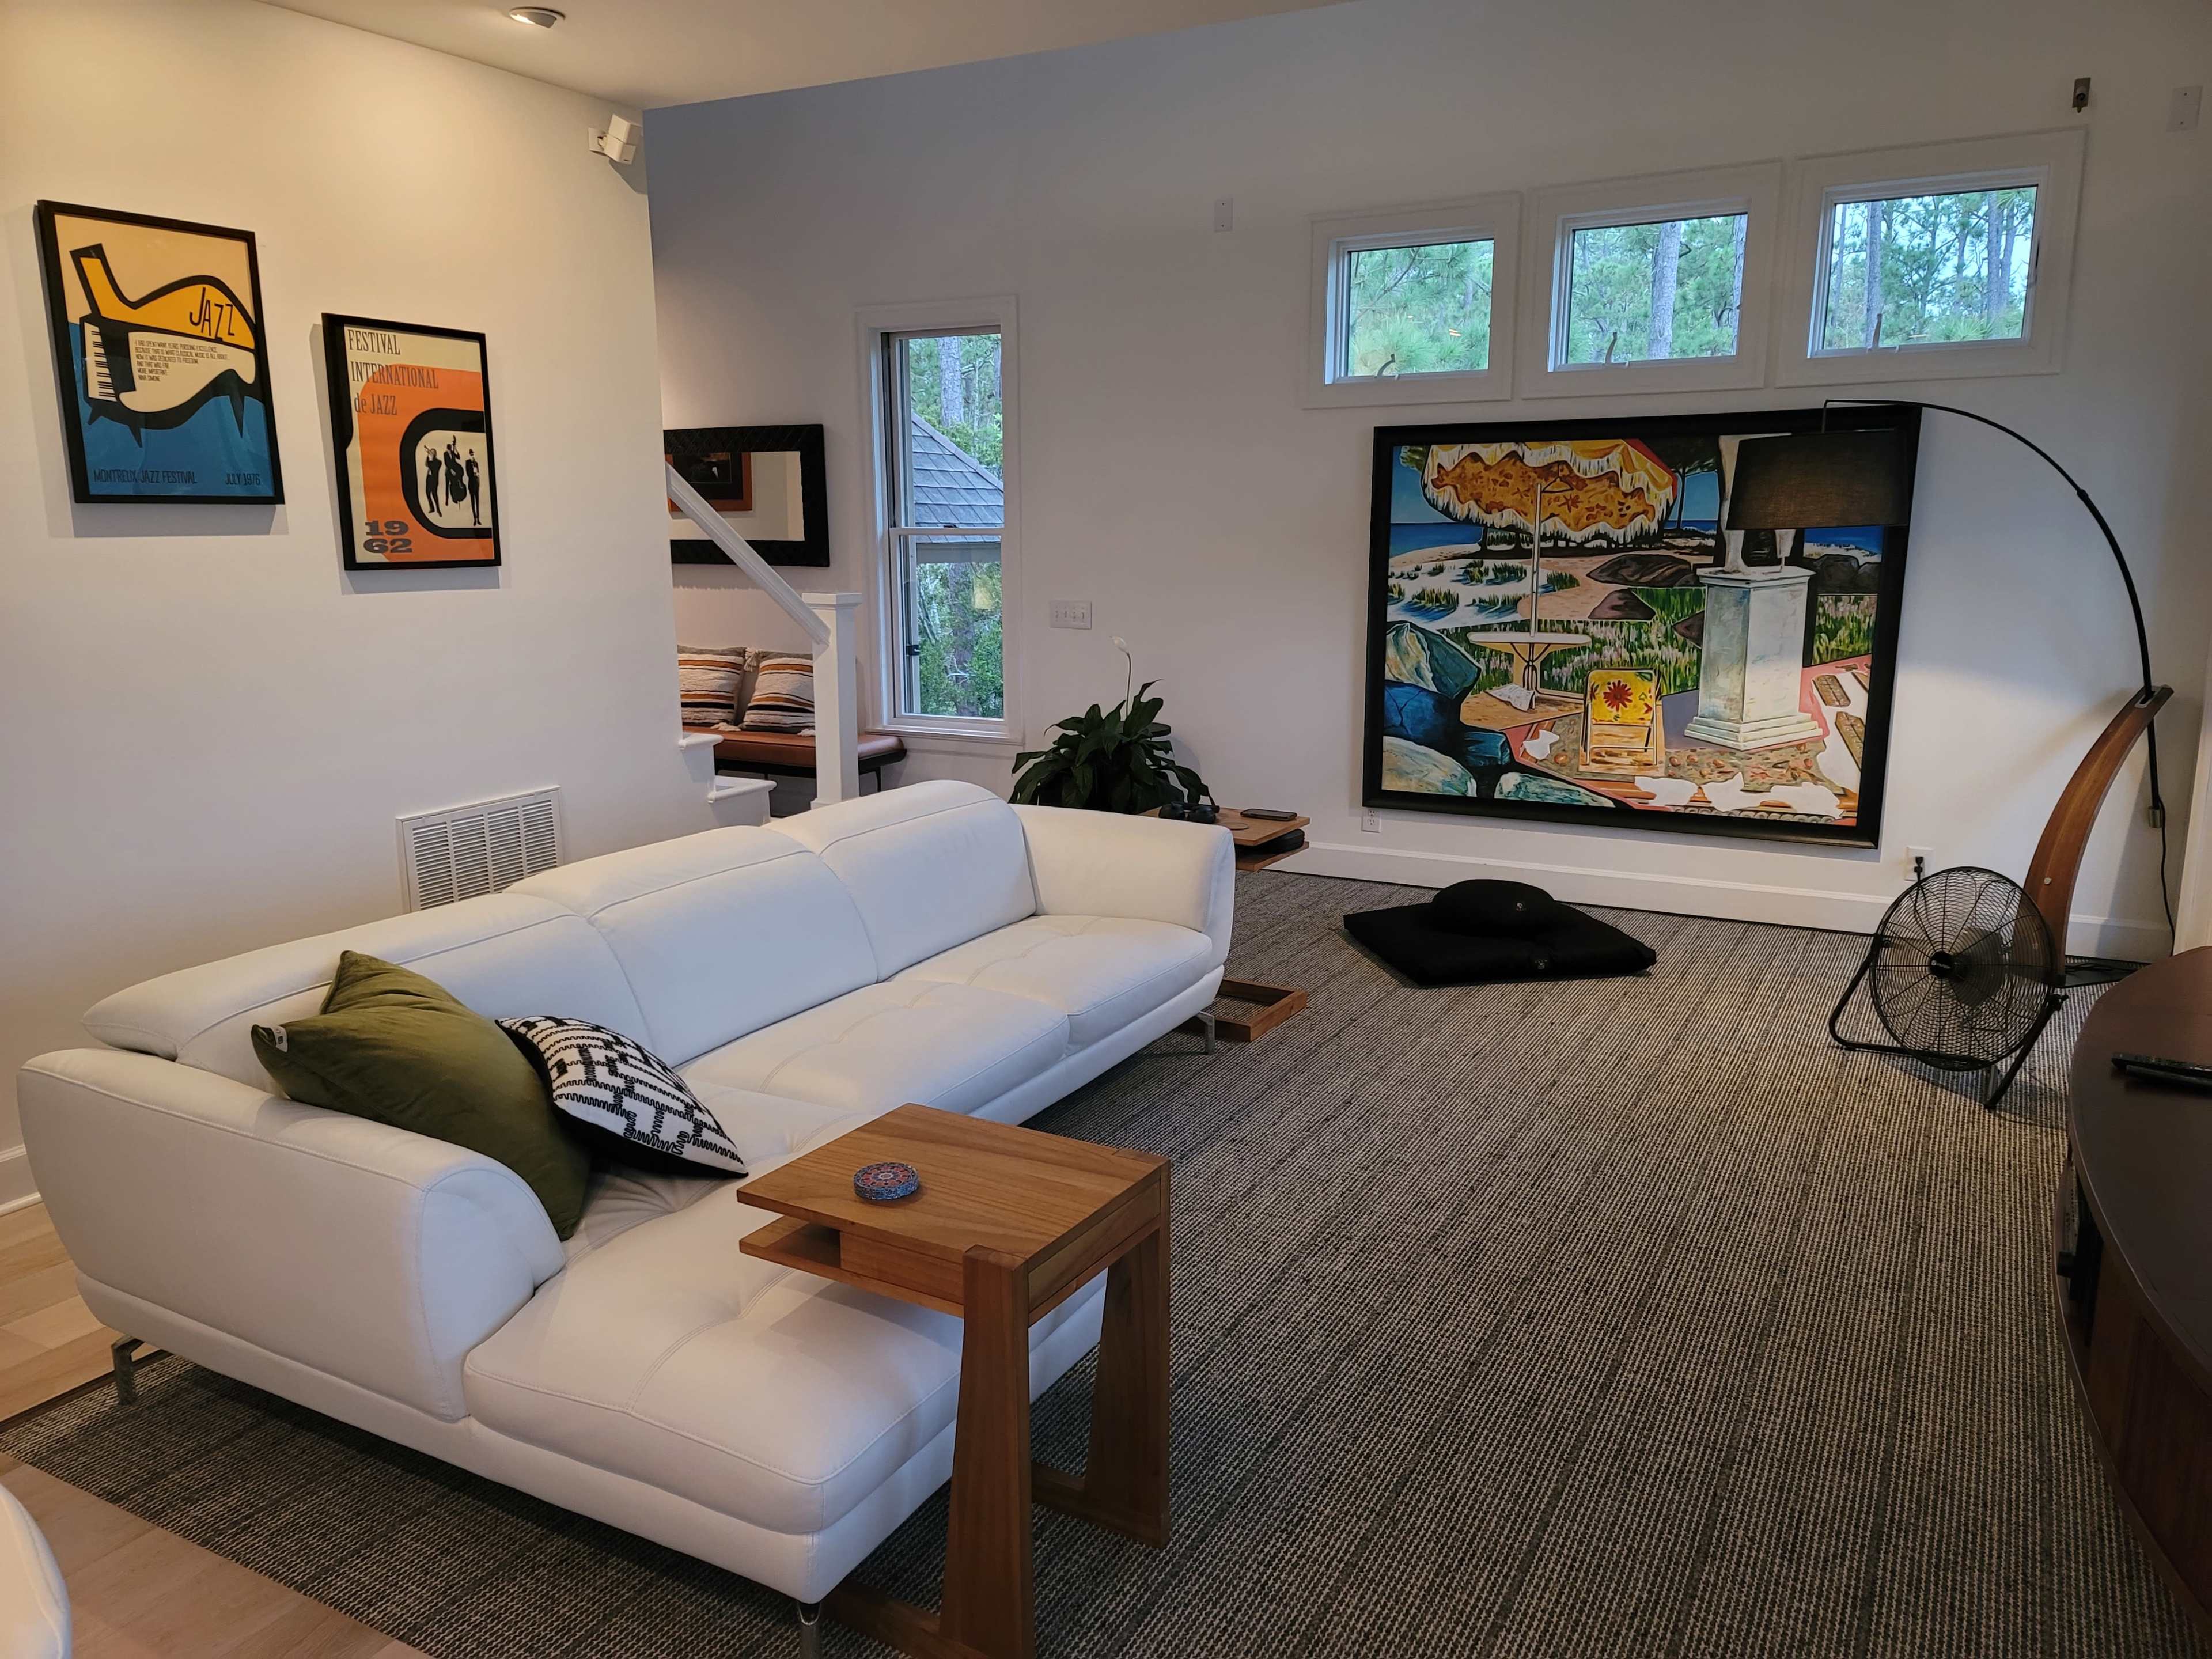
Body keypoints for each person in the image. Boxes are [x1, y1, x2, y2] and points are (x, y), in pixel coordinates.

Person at [422, 445, 441, 516]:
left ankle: (438, 509)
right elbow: (427, 465)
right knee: (428, 493)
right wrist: (428, 457)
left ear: (435, 454)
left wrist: (431, 459)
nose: (430, 453)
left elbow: (433, 469)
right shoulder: (429, 459)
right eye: (430, 452)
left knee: (434, 494)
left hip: (434, 480)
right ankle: (432, 508)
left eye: (432, 452)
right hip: (429, 478)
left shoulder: (438, 462)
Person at [465, 449, 482, 527]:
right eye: (471, 454)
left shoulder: (477, 463)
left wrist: (478, 476)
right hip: (471, 484)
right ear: (469, 455)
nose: (472, 455)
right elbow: (468, 474)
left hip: (476, 484)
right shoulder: (468, 462)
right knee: (473, 502)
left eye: (473, 454)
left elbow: (478, 474)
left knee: (477, 502)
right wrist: (473, 471)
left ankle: (478, 519)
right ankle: (474, 519)